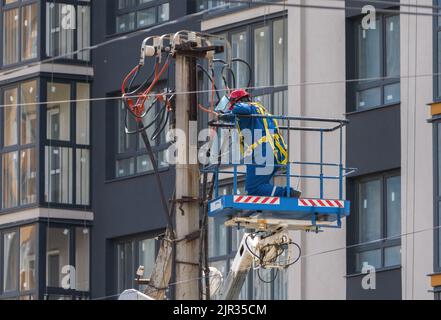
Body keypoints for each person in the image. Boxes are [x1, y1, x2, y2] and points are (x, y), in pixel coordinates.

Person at [217, 89, 301, 198]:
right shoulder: (258, 110)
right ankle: (287, 193)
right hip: (274, 152)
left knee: (254, 188)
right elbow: (235, 117)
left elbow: (242, 109)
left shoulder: (246, 108)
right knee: (260, 186)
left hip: (262, 153)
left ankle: (287, 193)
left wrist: (232, 108)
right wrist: (222, 116)